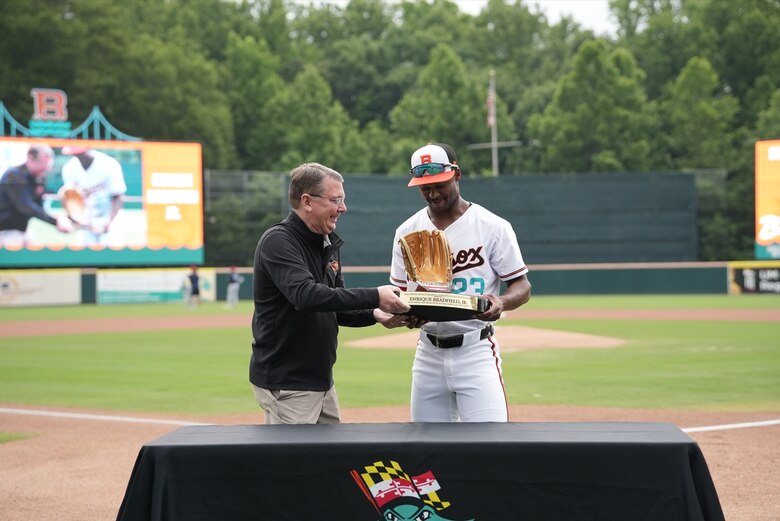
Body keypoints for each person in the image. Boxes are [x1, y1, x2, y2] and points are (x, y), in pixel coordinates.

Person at [250, 162, 411, 425]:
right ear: (307, 201)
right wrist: (375, 295)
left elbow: (335, 305)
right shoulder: (278, 241)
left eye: (343, 200)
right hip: (289, 384)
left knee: (331, 462)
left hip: (321, 380)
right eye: (336, 200)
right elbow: (306, 296)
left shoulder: (327, 242)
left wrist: (375, 314)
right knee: (294, 465)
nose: (343, 208)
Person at [390, 143, 532, 423]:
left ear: (457, 174)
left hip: (475, 349)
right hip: (428, 353)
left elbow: (522, 286)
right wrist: (403, 313)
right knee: (425, 450)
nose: (432, 193)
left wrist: (502, 301)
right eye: (424, 187)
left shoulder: (491, 226)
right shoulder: (406, 231)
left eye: (438, 184)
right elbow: (400, 292)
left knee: (490, 444)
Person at [0, 143, 73, 247]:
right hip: (6, 231)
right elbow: (25, 206)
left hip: (22, 229)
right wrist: (56, 221)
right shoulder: (14, 176)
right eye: (43, 162)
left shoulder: (38, 178)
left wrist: (64, 218)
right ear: (30, 158)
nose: (46, 168)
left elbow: (39, 206)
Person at [59, 145, 127, 246]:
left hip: (109, 215)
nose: (78, 156)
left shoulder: (108, 164)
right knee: (84, 255)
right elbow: (71, 199)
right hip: (86, 218)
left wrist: (109, 221)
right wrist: (77, 219)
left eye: (81, 153)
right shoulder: (70, 168)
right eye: (75, 153)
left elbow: (118, 196)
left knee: (112, 254)